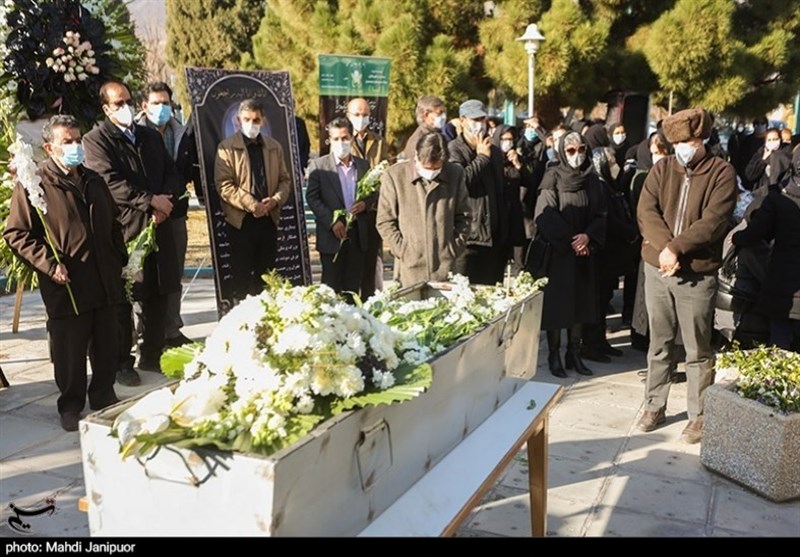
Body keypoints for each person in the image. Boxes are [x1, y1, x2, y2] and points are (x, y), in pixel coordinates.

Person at [4, 115, 127, 431]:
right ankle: (71, 405)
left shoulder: (93, 179)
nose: (75, 146)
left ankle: (103, 395)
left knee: (106, 343)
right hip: (67, 282)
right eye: (67, 142)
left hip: (103, 278)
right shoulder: (35, 185)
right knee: (70, 350)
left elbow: (113, 222)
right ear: (49, 147)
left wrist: (119, 257)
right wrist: (48, 264)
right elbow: (17, 233)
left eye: (77, 140)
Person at [636, 107, 737, 444]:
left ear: (702, 140)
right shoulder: (662, 168)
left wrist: (677, 248)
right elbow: (646, 211)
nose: (683, 149)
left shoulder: (721, 172)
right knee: (659, 342)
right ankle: (654, 404)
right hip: (658, 268)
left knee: (697, 348)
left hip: (697, 273)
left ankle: (699, 415)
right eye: (677, 143)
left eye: (689, 142)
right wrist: (666, 248)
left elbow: (714, 221)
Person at [84, 80, 182, 384]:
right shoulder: (96, 140)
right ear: (106, 108)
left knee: (157, 290)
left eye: (127, 100)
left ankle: (152, 353)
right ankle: (121, 363)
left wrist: (164, 202)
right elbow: (110, 182)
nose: (124, 107)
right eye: (118, 103)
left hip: (158, 225)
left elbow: (172, 172)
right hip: (127, 231)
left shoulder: (149, 136)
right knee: (126, 294)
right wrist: (149, 201)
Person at [532, 131, 607, 378]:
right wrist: (570, 239)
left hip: (585, 252)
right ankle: (554, 354)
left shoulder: (592, 179)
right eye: (571, 151)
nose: (577, 155)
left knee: (580, 305)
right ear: (563, 152)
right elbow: (545, 213)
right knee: (558, 307)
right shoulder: (553, 176)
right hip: (559, 253)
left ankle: (574, 352)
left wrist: (588, 236)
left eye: (581, 149)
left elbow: (601, 213)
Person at [136, 81, 198, 348]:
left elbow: (183, 173)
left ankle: (171, 329)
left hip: (175, 215)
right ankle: (142, 332)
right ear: (144, 105)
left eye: (166, 103)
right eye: (156, 103)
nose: (162, 108)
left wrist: (169, 203)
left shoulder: (182, 133)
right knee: (138, 274)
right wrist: (153, 204)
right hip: (142, 218)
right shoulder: (134, 134)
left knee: (173, 275)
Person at [214, 98, 292, 304]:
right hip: (241, 223)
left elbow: (285, 180)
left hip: (268, 220)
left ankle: (266, 318)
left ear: (263, 120)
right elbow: (224, 185)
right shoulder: (226, 148)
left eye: (256, 120)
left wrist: (275, 200)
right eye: (247, 119)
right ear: (238, 121)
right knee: (240, 281)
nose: (251, 124)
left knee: (266, 280)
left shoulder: (274, 147)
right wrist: (252, 205)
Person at [376, 132, 471, 287]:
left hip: (444, 266)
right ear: (416, 156)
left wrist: (453, 248)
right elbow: (385, 221)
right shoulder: (395, 176)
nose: (431, 172)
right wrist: (403, 250)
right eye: (427, 168)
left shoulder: (455, 174)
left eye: (436, 168)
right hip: (409, 268)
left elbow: (464, 216)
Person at [731, 148, 800, 350]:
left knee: (781, 347)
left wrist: (736, 237)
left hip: (783, 281)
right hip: (785, 281)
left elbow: (755, 233)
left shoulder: (778, 198)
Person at [305, 117, 371, 303]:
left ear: (352, 138)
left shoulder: (363, 165)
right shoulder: (319, 166)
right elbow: (312, 198)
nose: (341, 143)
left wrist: (365, 204)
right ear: (329, 140)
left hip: (357, 235)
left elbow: (373, 192)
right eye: (336, 139)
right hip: (331, 237)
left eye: (345, 138)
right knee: (331, 290)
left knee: (353, 289)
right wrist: (332, 221)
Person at [582, 146, 638, 362]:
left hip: (613, 254)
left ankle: (601, 341)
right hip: (603, 253)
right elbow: (609, 219)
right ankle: (591, 344)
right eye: (612, 161)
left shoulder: (609, 185)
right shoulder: (598, 186)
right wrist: (629, 232)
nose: (616, 164)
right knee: (597, 301)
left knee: (605, 298)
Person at [448, 99, 510, 285]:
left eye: (482, 119)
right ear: (463, 120)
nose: (479, 124)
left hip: (494, 239)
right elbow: (460, 183)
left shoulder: (494, 151)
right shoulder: (454, 149)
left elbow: (500, 190)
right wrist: (481, 158)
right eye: (474, 119)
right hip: (469, 239)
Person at [346, 97, 389, 298]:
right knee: (350, 265)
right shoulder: (343, 140)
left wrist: (370, 201)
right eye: (357, 114)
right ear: (348, 116)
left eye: (365, 115)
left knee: (370, 264)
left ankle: (369, 303)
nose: (361, 118)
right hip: (350, 211)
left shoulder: (379, 142)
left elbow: (384, 175)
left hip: (372, 210)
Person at [492, 124, 528, 270]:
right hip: (498, 213)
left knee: (519, 254)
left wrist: (518, 164)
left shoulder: (517, 160)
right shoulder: (491, 160)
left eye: (510, 139)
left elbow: (529, 181)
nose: (507, 143)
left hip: (515, 210)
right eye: (504, 139)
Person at [744, 127, 792, 194]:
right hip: (761, 193)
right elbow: (750, 175)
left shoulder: (786, 152)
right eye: (769, 140)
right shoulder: (760, 153)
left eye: (775, 139)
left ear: (780, 140)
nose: (772, 142)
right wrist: (763, 160)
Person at [401, 95, 447, 162]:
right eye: (439, 113)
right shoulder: (419, 141)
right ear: (426, 115)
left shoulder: (436, 134)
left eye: (444, 112)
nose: (444, 116)